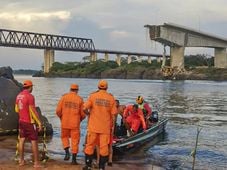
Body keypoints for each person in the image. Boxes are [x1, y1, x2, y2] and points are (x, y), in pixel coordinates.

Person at [83, 79, 117, 170]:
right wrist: (112, 126)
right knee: (104, 148)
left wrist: (88, 113)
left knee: (89, 146)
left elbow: (84, 108)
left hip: (93, 127)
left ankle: (88, 165)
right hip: (105, 128)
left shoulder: (92, 96)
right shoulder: (111, 98)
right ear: (107, 88)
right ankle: (102, 167)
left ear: (98, 87)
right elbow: (113, 115)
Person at [15, 80, 43, 168]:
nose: (32, 89)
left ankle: (21, 160)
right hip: (29, 122)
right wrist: (39, 123)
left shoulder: (18, 96)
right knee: (34, 141)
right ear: (30, 87)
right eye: (32, 87)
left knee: (22, 140)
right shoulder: (30, 96)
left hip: (21, 121)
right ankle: (36, 163)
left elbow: (16, 109)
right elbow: (33, 111)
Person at [56, 84, 86, 164]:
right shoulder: (79, 99)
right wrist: (80, 119)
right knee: (75, 140)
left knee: (64, 137)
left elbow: (58, 111)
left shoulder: (63, 97)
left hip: (65, 122)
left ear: (70, 89)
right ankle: (74, 160)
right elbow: (83, 114)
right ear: (77, 90)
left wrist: (61, 118)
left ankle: (66, 152)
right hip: (75, 123)